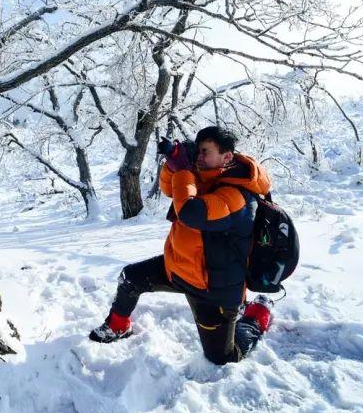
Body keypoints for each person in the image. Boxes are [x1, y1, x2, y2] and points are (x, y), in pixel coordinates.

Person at [88, 126, 273, 364]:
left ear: (226, 157)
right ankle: (118, 325)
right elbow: (169, 189)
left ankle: (256, 316)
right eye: (198, 151)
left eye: (205, 151)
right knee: (130, 278)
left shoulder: (236, 197)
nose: (199, 156)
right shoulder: (202, 174)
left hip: (212, 290)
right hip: (178, 268)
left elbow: (189, 212)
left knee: (222, 357)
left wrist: (184, 170)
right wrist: (173, 163)